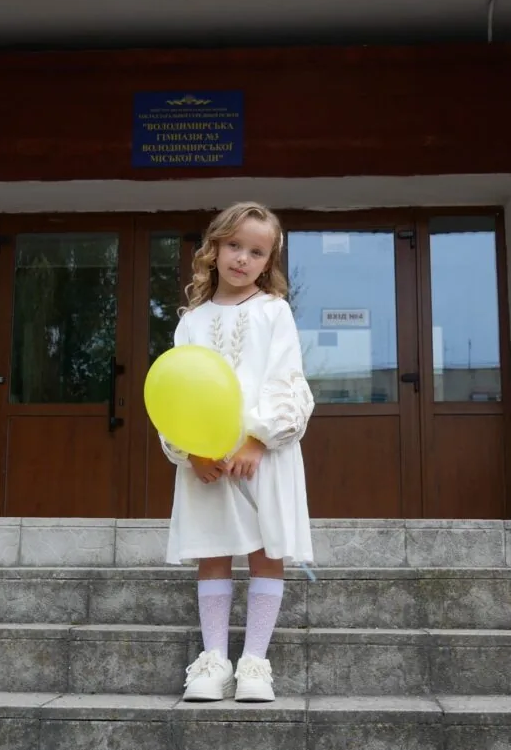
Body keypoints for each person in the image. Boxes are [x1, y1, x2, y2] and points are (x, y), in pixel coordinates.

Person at [158, 201, 315, 703]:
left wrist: (257, 439)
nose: (243, 258)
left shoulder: (273, 312)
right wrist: (191, 451)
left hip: (262, 454)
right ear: (215, 248)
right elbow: (177, 388)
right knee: (213, 551)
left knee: (266, 552)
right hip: (208, 459)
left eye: (256, 252)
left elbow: (287, 379)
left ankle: (254, 662)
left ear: (268, 262)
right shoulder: (192, 321)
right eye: (234, 246)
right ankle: (213, 661)